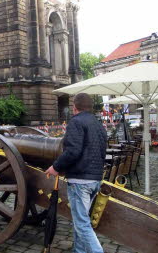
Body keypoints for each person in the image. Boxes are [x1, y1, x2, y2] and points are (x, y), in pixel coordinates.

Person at [45, 93, 107, 253]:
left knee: (81, 223)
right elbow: (101, 152)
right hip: (94, 179)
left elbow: (72, 151)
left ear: (75, 107)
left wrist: (56, 167)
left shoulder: (76, 122)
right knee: (81, 220)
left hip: (80, 180)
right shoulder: (98, 124)